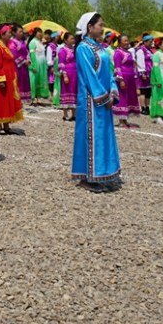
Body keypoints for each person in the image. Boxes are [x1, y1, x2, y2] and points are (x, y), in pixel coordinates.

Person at [71, 13, 121, 192]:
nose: (103, 27)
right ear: (90, 27)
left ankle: (101, 172)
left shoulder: (100, 47)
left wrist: (113, 92)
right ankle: (87, 177)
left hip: (104, 99)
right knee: (91, 136)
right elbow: (89, 76)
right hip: (91, 101)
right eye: (100, 25)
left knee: (102, 136)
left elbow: (109, 71)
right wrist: (103, 97)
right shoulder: (83, 48)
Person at [0, 23, 24, 135]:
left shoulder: (6, 46)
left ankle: (6, 125)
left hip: (10, 79)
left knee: (7, 102)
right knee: (1, 101)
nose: (11, 34)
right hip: (2, 79)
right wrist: (0, 80)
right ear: (2, 34)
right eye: (9, 33)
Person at [113, 35, 141, 128]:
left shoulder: (128, 52)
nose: (127, 42)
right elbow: (117, 67)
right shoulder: (117, 53)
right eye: (125, 41)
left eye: (127, 40)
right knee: (122, 97)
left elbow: (132, 65)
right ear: (120, 42)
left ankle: (125, 119)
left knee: (129, 97)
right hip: (123, 78)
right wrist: (121, 80)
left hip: (130, 78)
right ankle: (121, 121)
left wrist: (135, 77)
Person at [9, 24, 31, 105]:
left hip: (24, 66)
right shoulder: (12, 42)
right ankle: (16, 100)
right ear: (14, 33)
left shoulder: (22, 42)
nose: (22, 33)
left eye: (22, 31)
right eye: (20, 31)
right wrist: (23, 61)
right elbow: (14, 54)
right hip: (16, 66)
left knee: (24, 82)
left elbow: (27, 52)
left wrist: (28, 60)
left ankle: (22, 101)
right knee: (17, 82)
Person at [57, 33, 78, 122]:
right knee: (66, 91)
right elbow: (61, 64)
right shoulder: (62, 50)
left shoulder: (75, 49)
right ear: (65, 40)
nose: (73, 40)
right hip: (67, 73)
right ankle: (65, 114)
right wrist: (64, 75)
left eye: (73, 38)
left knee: (74, 92)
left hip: (75, 73)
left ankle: (74, 114)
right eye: (71, 38)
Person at [27, 27, 49, 103]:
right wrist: (34, 66)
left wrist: (45, 65)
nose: (40, 34)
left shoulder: (40, 42)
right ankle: (33, 98)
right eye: (38, 33)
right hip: (36, 64)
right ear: (35, 33)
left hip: (42, 64)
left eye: (41, 33)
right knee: (34, 81)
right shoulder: (32, 42)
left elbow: (43, 54)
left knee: (41, 80)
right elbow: (32, 55)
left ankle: (39, 96)